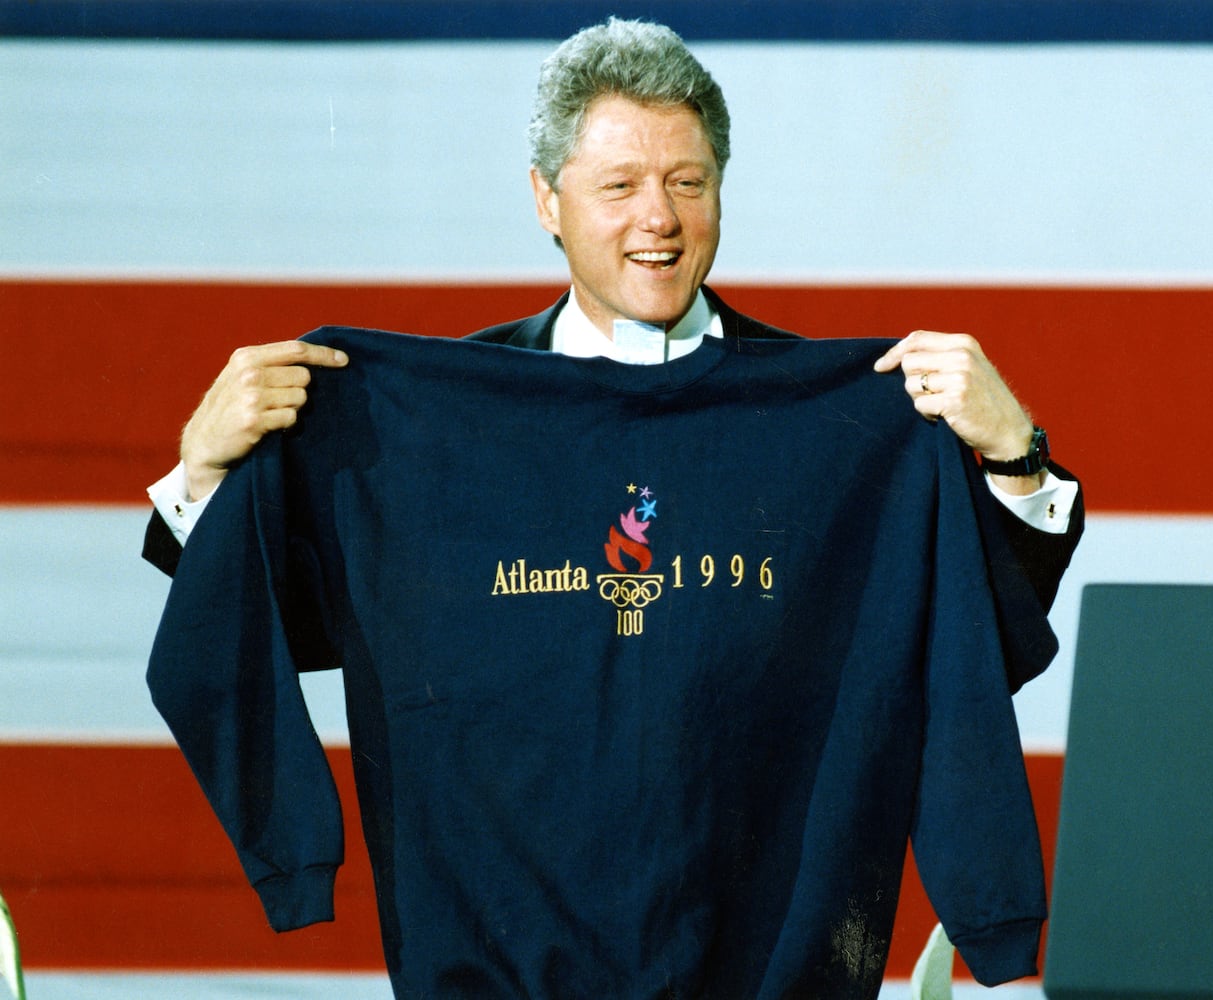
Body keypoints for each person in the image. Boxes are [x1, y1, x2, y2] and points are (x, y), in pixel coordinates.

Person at [144, 18, 1083, 998]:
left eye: (687, 182)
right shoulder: (407, 433)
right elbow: (243, 623)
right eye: (619, 186)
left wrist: (1015, 455)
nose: (659, 220)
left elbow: (974, 639)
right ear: (547, 199)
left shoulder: (843, 429)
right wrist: (204, 476)